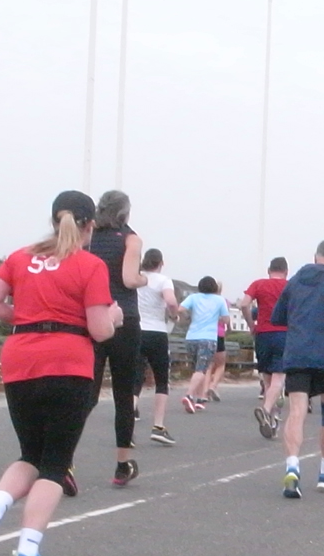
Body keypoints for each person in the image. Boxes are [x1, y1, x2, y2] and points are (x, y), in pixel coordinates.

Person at [0, 190, 122, 556]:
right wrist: (114, 316)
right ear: (89, 226)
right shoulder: (89, 264)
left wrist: (24, 317)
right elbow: (99, 330)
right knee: (54, 462)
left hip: (20, 358)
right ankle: (28, 553)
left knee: (29, 453)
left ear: (54, 220)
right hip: (68, 361)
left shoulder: (20, 257)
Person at [270, 239, 324, 497]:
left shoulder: (296, 280)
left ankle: (292, 468)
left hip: (297, 351)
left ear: (315, 256)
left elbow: (278, 316)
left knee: (296, 410)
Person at [86, 189, 147, 487]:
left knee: (88, 391)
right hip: (124, 318)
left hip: (93, 315)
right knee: (123, 394)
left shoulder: (89, 237)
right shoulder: (130, 239)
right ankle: (122, 464)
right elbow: (129, 279)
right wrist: (144, 278)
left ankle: (64, 459)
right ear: (125, 212)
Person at [239, 257, 289, 439]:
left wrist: (251, 324)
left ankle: (273, 420)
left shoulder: (258, 284)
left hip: (263, 334)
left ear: (269, 270)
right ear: (286, 271)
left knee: (268, 381)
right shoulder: (290, 286)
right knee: (279, 379)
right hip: (284, 334)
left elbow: (244, 304)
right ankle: (267, 410)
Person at [133, 248, 178, 445]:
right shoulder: (163, 280)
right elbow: (171, 301)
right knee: (161, 380)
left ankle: (128, 427)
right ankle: (158, 426)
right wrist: (174, 315)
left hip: (136, 330)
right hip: (157, 332)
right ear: (160, 263)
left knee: (135, 379)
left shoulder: (136, 278)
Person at [177, 277, 230, 413]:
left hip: (191, 337)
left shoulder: (194, 297)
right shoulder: (219, 300)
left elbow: (180, 309)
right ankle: (189, 395)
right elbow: (226, 319)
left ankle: (200, 399)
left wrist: (189, 316)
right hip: (208, 338)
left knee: (197, 369)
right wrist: (217, 317)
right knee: (201, 369)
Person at [205, 283, 231, 403]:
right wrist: (229, 328)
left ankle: (205, 392)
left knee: (209, 365)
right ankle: (213, 386)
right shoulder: (224, 301)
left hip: (206, 334)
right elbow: (226, 319)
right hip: (219, 334)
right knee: (221, 364)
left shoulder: (205, 301)